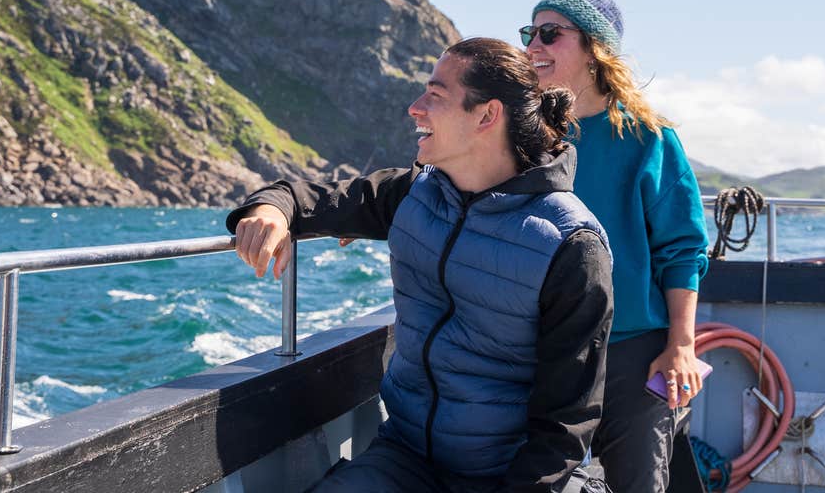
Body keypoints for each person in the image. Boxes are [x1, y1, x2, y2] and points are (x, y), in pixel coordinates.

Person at [229, 37, 614, 493]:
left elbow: (566, 424)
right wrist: (270, 210)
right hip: (408, 458)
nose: (415, 107)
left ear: (487, 115)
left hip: (516, 475)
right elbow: (308, 196)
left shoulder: (571, 244)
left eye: (435, 95)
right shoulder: (413, 193)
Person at [520, 0, 710, 493]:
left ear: (594, 49)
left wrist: (681, 346)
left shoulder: (650, 138)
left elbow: (682, 250)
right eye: (529, 33)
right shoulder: (522, 139)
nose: (532, 45)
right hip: (543, 349)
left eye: (550, 33)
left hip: (633, 351)